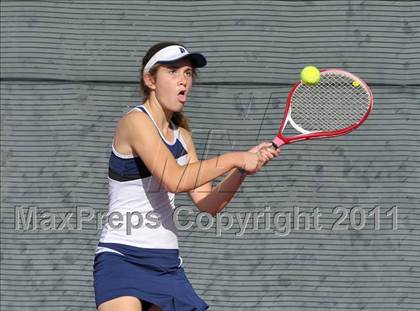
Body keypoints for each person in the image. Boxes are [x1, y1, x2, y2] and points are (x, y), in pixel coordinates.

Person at [93, 42, 280, 311]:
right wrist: (235, 157)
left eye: (188, 73)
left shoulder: (183, 136)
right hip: (122, 257)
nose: (183, 80)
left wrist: (241, 170)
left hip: (167, 264)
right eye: (172, 71)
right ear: (150, 80)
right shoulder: (134, 121)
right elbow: (174, 179)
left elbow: (208, 203)